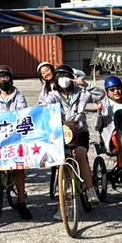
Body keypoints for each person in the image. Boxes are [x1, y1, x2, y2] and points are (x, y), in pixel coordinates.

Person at [45, 65, 104, 206]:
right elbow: (45, 105)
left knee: (80, 154)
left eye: (66, 76)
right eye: (60, 77)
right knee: (62, 160)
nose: (63, 80)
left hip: (80, 131)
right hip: (61, 133)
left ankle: (90, 190)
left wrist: (86, 85)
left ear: (72, 78)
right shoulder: (53, 95)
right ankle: (64, 201)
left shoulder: (82, 93)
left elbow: (101, 95)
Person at [0, 65, 33, 219]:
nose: (3, 80)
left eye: (5, 77)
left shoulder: (18, 96)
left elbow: (23, 110)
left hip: (15, 137)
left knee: (19, 169)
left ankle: (21, 201)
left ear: (11, 79)